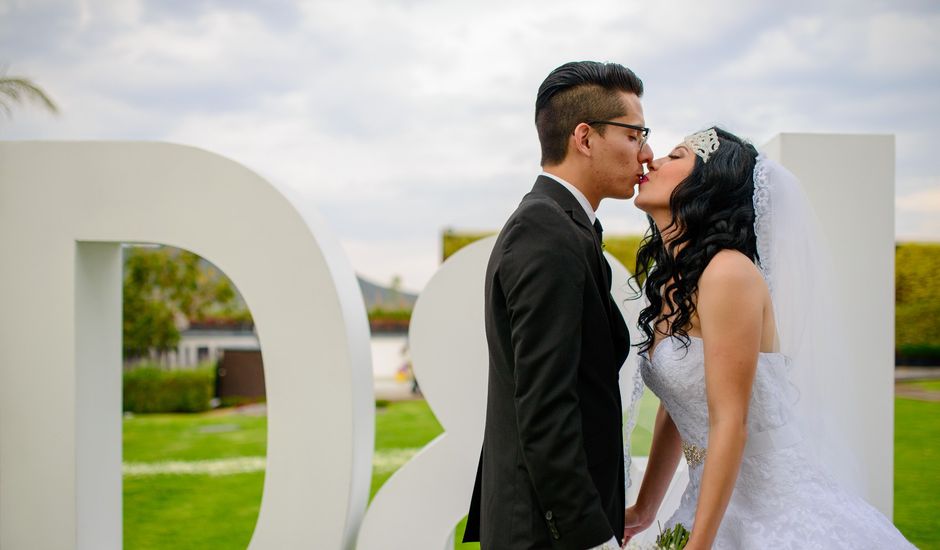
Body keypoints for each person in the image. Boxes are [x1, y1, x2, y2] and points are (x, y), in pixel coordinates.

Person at [622, 127, 915, 549]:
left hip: (771, 508)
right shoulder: (671, 281)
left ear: (707, 183)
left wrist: (699, 545)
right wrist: (645, 509)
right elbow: (680, 404)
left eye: (676, 156)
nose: (654, 161)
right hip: (712, 498)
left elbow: (731, 423)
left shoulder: (728, 274)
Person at [462, 61, 652, 549]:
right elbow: (546, 409)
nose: (646, 153)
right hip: (546, 534)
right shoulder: (546, 232)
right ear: (585, 138)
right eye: (635, 134)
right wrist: (591, 537)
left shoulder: (563, 225)